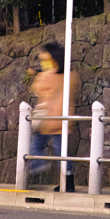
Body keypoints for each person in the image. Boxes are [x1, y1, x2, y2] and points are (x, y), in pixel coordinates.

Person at [29, 42, 78, 192]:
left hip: (47, 120)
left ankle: (39, 164)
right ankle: (68, 182)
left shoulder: (46, 76)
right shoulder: (71, 76)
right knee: (62, 152)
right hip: (63, 119)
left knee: (36, 146)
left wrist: (35, 74)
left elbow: (36, 88)